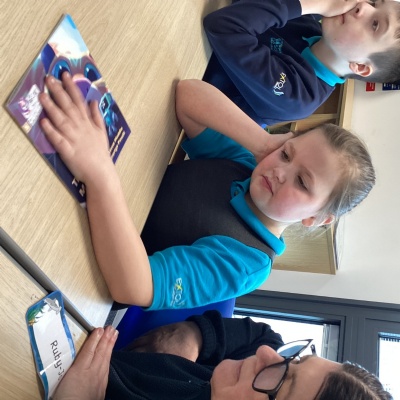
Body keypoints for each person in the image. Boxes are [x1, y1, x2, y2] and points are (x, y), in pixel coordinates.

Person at [39, 74, 375, 311]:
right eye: (287, 153)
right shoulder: (247, 164)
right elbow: (188, 95)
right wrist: (263, 142)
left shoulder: (248, 262)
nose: (279, 170)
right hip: (81, 197)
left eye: (301, 181)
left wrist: (100, 175)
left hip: (77, 259)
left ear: (315, 218)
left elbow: (135, 286)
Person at [53, 311, 393, 399]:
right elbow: (264, 337)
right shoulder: (229, 385)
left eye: (284, 382)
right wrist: (194, 335)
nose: (266, 354)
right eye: (297, 358)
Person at [203, 0, 400, 127]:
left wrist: (311, 4)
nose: (363, 6)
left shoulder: (299, 97)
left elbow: (222, 26)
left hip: (191, 72)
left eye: (375, 24)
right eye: (374, 2)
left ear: (361, 67)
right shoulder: (311, 26)